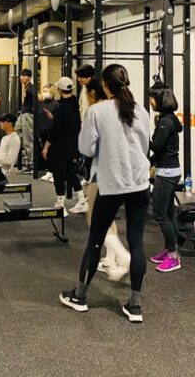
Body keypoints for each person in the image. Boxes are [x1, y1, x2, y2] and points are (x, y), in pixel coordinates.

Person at [59, 64, 150, 323]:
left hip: (111, 185)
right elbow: (144, 146)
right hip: (140, 183)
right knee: (137, 242)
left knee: (95, 241)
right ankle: (135, 306)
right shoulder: (141, 110)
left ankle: (79, 297)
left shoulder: (97, 111)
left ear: (106, 86)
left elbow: (86, 148)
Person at [82, 78, 130, 282]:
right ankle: (111, 258)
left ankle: (123, 257)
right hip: (119, 172)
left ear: (93, 93)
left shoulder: (97, 112)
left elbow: (87, 147)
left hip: (102, 172)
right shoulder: (121, 109)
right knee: (107, 218)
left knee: (94, 219)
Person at [148, 81, 183, 272]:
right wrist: (149, 162)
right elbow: (160, 151)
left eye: (152, 97)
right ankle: (171, 249)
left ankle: (173, 257)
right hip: (170, 170)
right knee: (169, 213)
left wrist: (139, 136)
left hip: (167, 173)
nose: (150, 101)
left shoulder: (166, 121)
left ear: (160, 99)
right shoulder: (168, 119)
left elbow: (156, 146)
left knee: (159, 213)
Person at [42, 77, 87, 215]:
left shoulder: (61, 108)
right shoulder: (75, 104)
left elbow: (56, 130)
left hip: (60, 147)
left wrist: (46, 146)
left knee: (59, 175)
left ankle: (61, 205)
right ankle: (81, 201)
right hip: (72, 146)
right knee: (70, 173)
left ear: (59, 90)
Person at [76, 65, 95, 188]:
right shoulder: (84, 88)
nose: (79, 79)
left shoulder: (93, 89)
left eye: (81, 77)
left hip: (92, 126)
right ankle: (88, 177)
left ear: (89, 77)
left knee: (91, 154)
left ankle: (90, 178)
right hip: (85, 124)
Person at [38, 85, 58, 183]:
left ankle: (55, 172)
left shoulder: (56, 104)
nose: (45, 93)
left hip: (52, 132)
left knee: (52, 152)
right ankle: (49, 171)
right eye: (44, 91)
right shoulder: (42, 104)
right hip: (43, 131)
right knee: (46, 153)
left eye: (47, 91)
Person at [15, 69, 34, 172]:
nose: (22, 77)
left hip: (28, 114)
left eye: (24, 76)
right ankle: (24, 154)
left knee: (28, 140)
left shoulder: (31, 88)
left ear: (29, 77)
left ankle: (31, 164)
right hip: (23, 113)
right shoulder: (26, 87)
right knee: (16, 130)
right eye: (21, 75)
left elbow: (38, 98)